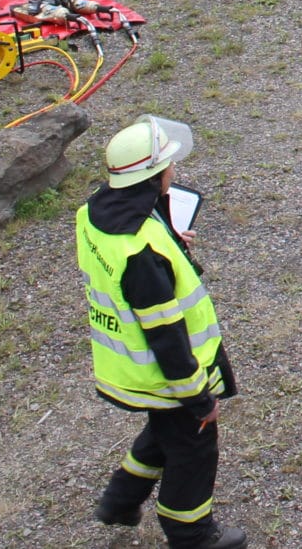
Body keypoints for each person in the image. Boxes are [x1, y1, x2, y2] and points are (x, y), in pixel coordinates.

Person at [81, 115, 244, 549]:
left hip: (131, 370)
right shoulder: (143, 256)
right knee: (193, 448)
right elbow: (167, 336)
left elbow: (129, 260)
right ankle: (191, 533)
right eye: (168, 163)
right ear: (152, 175)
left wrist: (170, 240)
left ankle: (120, 501)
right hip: (168, 374)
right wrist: (199, 399)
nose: (174, 168)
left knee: (164, 430)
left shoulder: (95, 213)